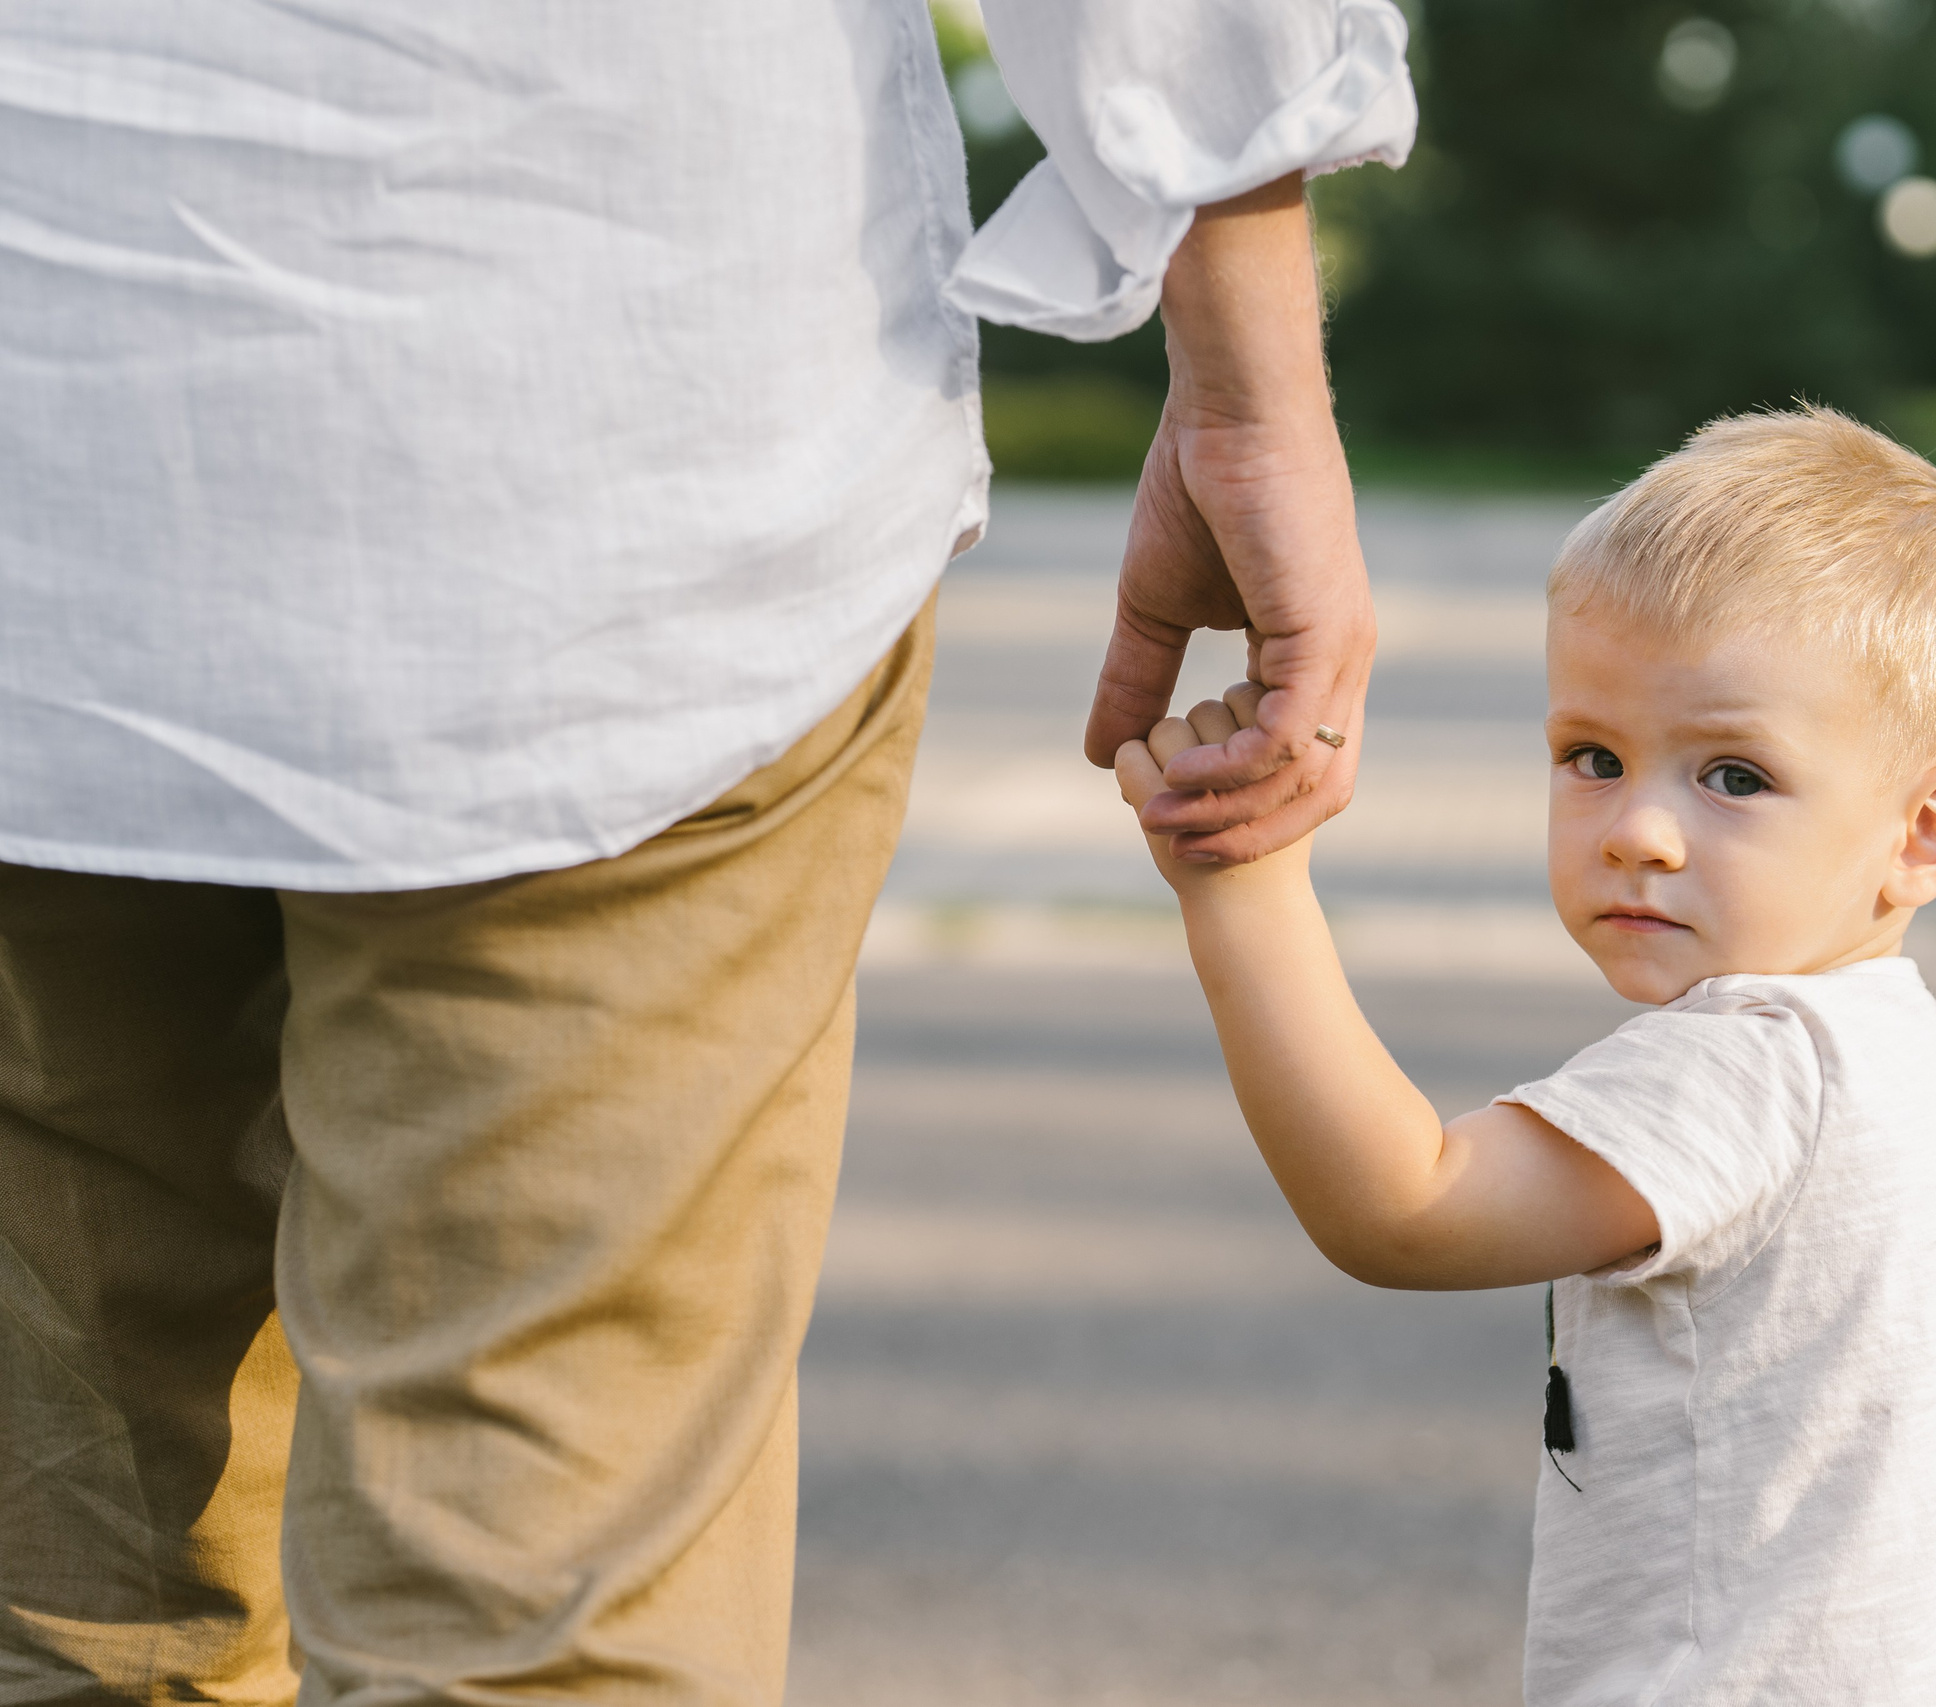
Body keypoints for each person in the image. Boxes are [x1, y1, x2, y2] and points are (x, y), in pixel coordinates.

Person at [0, 2, 1411, 1700]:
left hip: (46, 427)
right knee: (528, 1623)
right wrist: (1250, 388)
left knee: (72, 1591)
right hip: (600, 452)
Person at [1114, 407, 1936, 1705]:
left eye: (1734, 777)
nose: (1637, 829)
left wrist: (1242, 893)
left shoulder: (1761, 1065)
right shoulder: (1902, 1062)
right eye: (1593, 757)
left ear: (1925, 832)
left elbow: (1404, 1208)